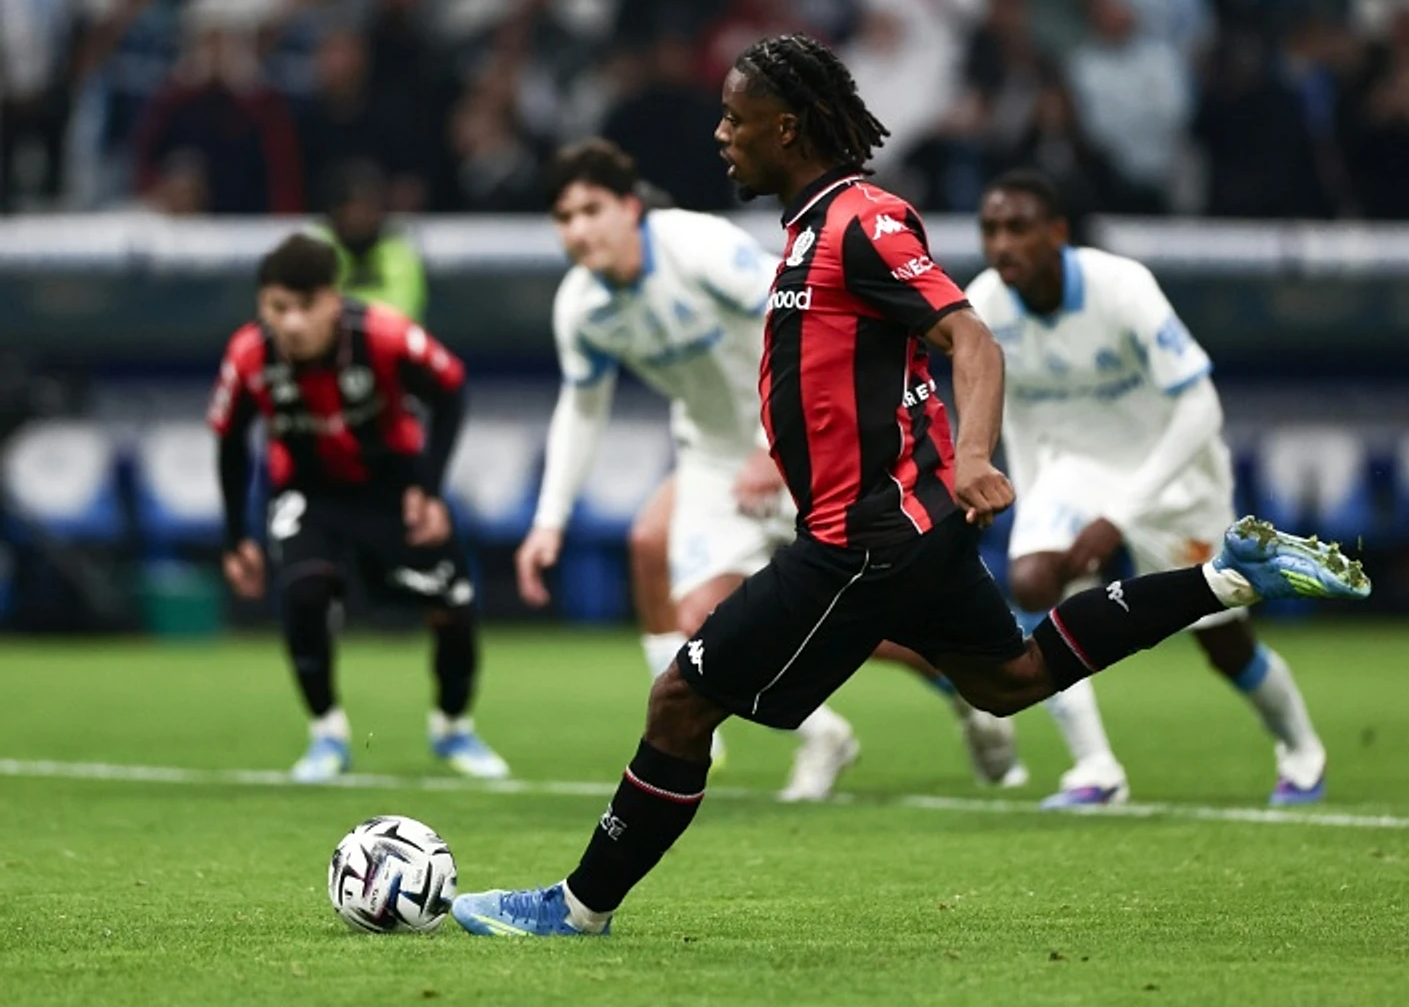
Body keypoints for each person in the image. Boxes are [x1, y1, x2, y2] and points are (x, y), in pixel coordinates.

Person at [451, 33, 1369, 938]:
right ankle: (1227, 577)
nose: (721, 134)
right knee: (1010, 677)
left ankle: (578, 908)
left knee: (681, 699)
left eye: (737, 118)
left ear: (789, 127)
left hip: (863, 536)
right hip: (901, 527)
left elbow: (971, 338)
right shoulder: (811, 228)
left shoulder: (861, 222)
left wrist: (972, 456)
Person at [515, 138, 1022, 801]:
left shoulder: (695, 247)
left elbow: (802, 315)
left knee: (870, 605)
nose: (579, 230)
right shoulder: (581, 308)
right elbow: (581, 411)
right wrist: (548, 521)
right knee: (704, 617)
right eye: (564, 217)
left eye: (591, 210)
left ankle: (963, 689)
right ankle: (824, 735)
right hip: (715, 460)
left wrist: (767, 440)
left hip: (811, 439)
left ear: (630, 207)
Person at [965, 169, 1329, 808]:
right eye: (991, 230)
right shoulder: (986, 302)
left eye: (1018, 228)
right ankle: (1096, 768)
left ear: (1057, 232)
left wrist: (1121, 517)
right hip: (1076, 469)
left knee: (1222, 638)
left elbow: (1201, 408)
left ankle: (1302, 750)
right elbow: (1013, 411)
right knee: (1032, 582)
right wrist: (1031, 498)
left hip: (1172, 472)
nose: (1002, 245)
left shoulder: (1121, 286)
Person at [207, 234, 506, 783]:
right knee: (304, 592)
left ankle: (453, 727)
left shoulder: (384, 336)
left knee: (453, 607)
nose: (292, 322)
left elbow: (450, 390)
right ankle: (327, 734)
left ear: (333, 299)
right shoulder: (248, 355)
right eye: (278, 307)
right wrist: (235, 537)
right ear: (261, 305)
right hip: (308, 493)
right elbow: (230, 440)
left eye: (306, 306)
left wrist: (429, 490)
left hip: (392, 490)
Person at [313, 160, 428, 321]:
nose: (368, 215)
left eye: (373, 206)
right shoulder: (314, 248)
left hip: (388, 335)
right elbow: (311, 310)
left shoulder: (398, 251)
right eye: (359, 207)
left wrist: (344, 308)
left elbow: (401, 313)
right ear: (337, 209)